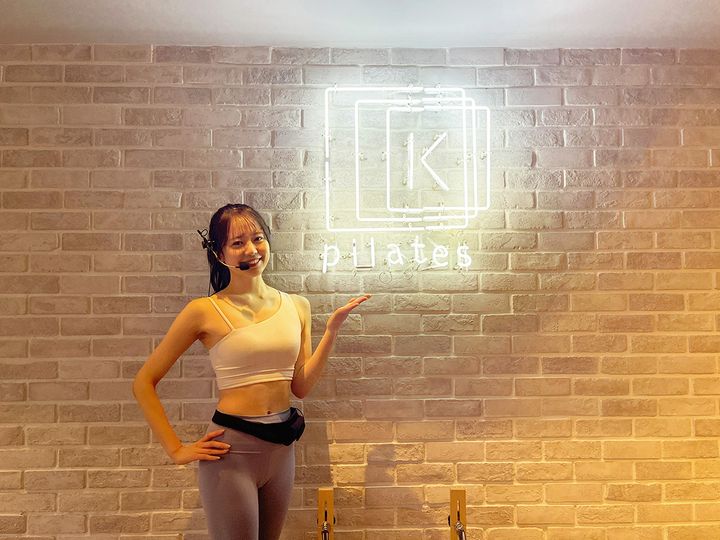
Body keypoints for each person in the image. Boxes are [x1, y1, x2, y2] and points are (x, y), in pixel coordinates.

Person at [132, 203, 370, 540]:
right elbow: (144, 382)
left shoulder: (297, 306)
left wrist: (331, 332)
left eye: (258, 238)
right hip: (232, 451)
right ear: (219, 253)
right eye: (237, 243)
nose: (251, 249)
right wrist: (176, 449)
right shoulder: (204, 311)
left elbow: (300, 386)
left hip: (282, 449)